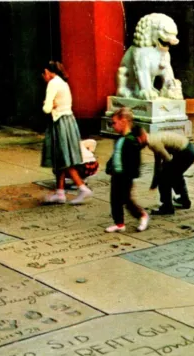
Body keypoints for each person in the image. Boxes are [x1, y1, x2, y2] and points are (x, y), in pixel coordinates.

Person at [40, 61, 92, 205]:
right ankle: (60, 192)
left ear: (47, 71)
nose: (43, 77)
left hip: (59, 122)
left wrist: (47, 103)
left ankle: (81, 187)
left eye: (43, 74)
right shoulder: (62, 82)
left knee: (63, 158)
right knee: (61, 158)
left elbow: (46, 108)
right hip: (68, 120)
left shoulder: (52, 84)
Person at [104, 108, 149, 232]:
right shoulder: (119, 139)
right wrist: (109, 166)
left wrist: (132, 174)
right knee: (115, 200)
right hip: (116, 174)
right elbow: (115, 155)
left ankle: (142, 215)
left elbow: (135, 161)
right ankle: (119, 223)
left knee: (126, 199)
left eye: (114, 123)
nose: (113, 126)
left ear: (123, 121)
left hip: (125, 175)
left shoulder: (131, 140)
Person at [144, 131, 194, 215]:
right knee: (175, 174)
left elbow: (167, 159)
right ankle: (184, 200)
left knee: (165, 177)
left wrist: (157, 181)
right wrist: (154, 183)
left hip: (186, 152)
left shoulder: (153, 143)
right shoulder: (153, 138)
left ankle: (167, 207)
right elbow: (158, 164)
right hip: (190, 149)